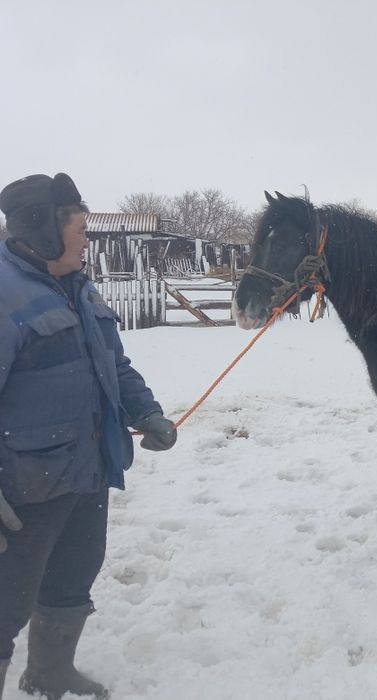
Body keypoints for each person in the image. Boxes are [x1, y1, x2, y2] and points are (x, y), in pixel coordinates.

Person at [0, 173, 177, 699]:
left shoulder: (80, 286)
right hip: (22, 491)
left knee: (73, 578)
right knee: (6, 603)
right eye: (80, 234)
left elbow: (114, 365)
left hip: (86, 472)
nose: (86, 244)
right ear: (45, 234)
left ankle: (50, 672)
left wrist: (147, 412)